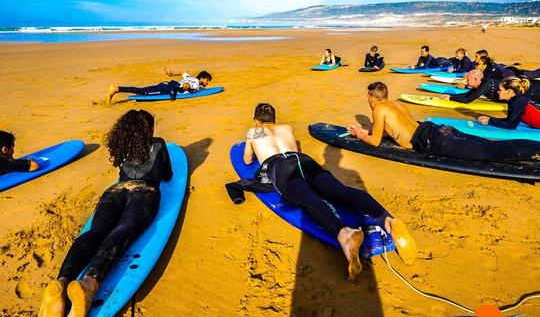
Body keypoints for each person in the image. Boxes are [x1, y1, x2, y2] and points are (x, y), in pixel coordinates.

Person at [226, 103, 417, 281]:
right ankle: (387, 219)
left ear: (256, 120)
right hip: (302, 160)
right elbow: (297, 147)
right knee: (338, 191)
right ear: (274, 119)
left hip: (280, 166)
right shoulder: (287, 129)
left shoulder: (254, 132)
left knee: (311, 199)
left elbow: (248, 159)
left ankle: (345, 234)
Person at [38, 110, 173, 317]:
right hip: (144, 191)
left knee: (97, 230)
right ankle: (88, 285)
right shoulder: (158, 143)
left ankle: (61, 282)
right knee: (124, 228)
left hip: (115, 191)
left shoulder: (122, 146)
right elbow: (167, 174)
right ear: (149, 129)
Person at [348, 82, 540, 162]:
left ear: (371, 98)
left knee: (490, 152)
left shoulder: (379, 109)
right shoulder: (396, 104)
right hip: (436, 130)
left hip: (435, 141)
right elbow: (393, 129)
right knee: (490, 145)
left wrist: (360, 134)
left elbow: (375, 141)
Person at [106, 70, 212, 104]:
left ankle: (117, 89)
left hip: (168, 83)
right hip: (170, 88)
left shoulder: (191, 77)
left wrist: (172, 74)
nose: (207, 83)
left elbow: (182, 73)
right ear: (203, 77)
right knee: (142, 92)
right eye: (207, 80)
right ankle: (116, 89)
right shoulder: (196, 84)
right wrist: (187, 87)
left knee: (143, 90)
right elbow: (188, 85)